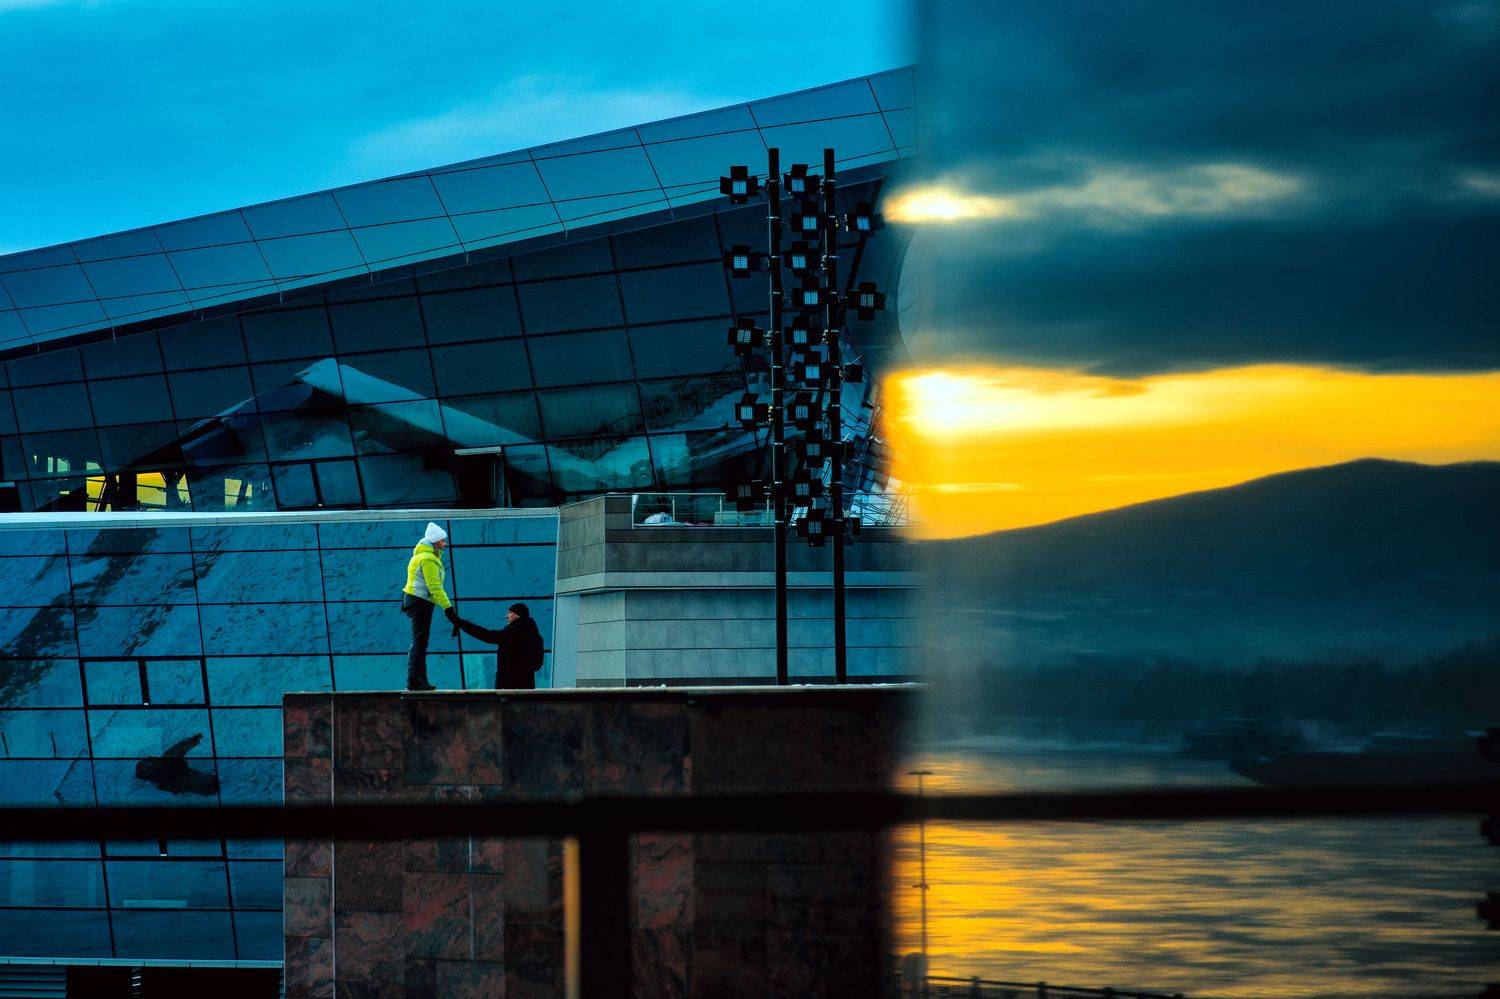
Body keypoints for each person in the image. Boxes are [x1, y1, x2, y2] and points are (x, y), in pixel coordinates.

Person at [401, 521, 458, 691]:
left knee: (421, 641)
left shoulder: (423, 556)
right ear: (434, 541)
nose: (444, 544)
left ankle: (420, 680)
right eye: (442, 541)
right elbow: (434, 587)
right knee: (419, 641)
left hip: (416, 600)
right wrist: (448, 609)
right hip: (420, 601)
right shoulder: (428, 559)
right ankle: (414, 680)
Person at [453, 602, 545, 689]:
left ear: (518, 614)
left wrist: (460, 623)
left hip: (507, 689)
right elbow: (537, 665)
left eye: (509, 613)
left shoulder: (511, 633)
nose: (506, 616)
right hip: (527, 689)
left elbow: (486, 635)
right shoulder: (537, 638)